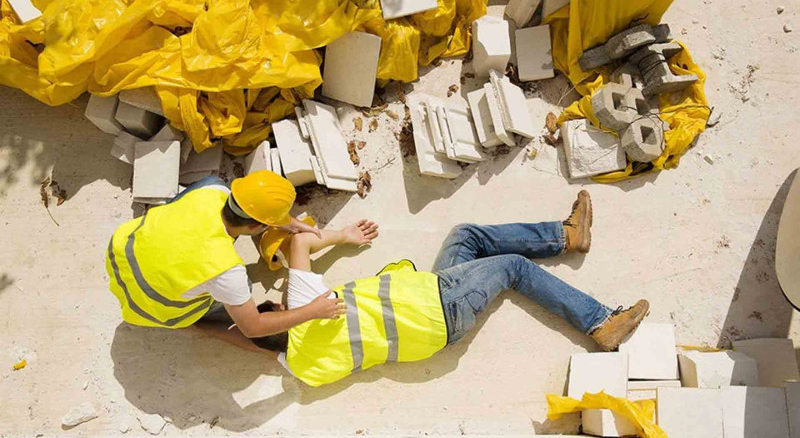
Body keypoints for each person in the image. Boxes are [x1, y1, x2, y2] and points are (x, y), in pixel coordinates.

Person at [242, 190, 650, 387]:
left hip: (434, 326)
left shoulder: (301, 367)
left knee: (464, 236)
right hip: (438, 303)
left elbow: (253, 339)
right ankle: (600, 322)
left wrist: (220, 329)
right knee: (513, 267)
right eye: (275, 303)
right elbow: (301, 242)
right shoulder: (302, 304)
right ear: (280, 311)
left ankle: (566, 235)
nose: (279, 298)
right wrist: (343, 235)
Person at [105, 170, 345, 339]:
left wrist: (287, 222)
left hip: (121, 255)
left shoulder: (211, 190)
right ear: (256, 226)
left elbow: (247, 205)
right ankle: (200, 321)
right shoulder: (225, 269)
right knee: (243, 288)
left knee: (206, 184)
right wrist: (313, 311)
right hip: (151, 307)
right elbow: (253, 327)